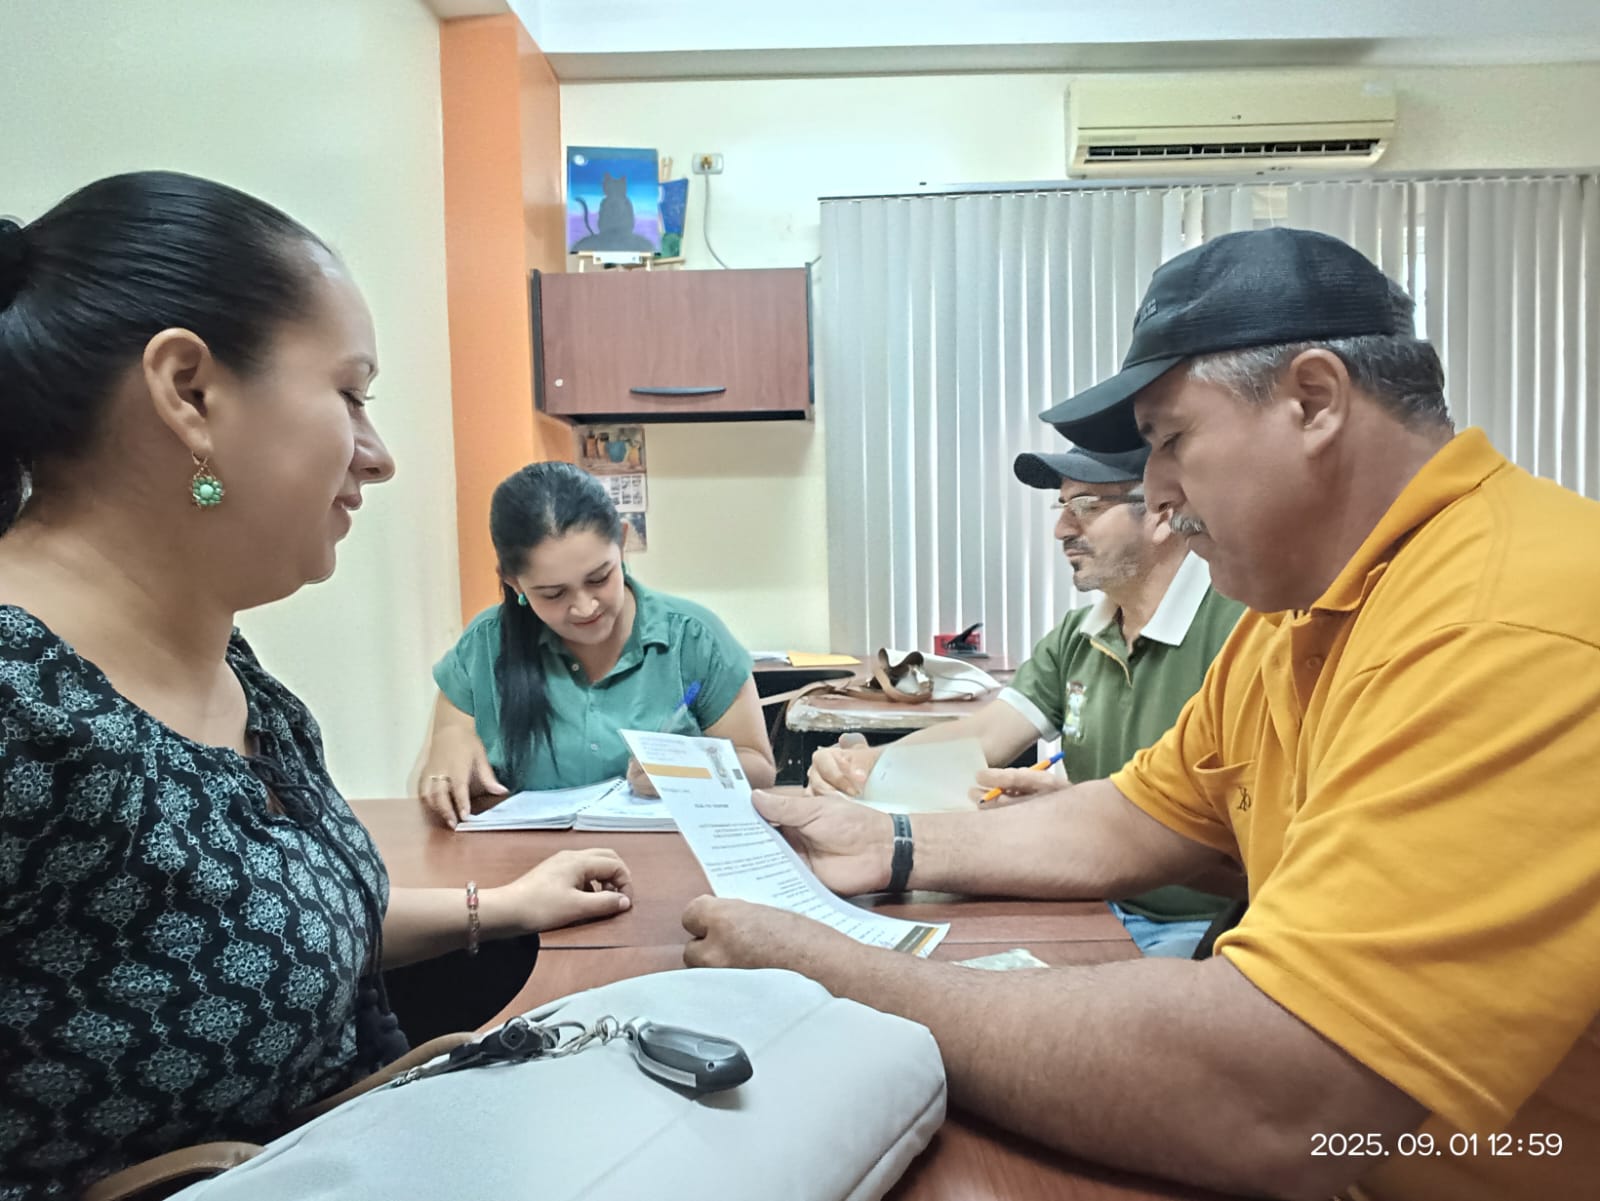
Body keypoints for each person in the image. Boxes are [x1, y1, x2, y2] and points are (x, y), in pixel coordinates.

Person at [680, 227, 1600, 1201]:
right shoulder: (1301, 613)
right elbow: (1134, 815)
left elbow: (1280, 1096)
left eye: (1170, 440)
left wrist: (837, 976)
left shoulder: (1512, 622)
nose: (1158, 494)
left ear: (1314, 400)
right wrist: (889, 843)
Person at [0, 172, 633, 1199]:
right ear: (188, 392)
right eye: (349, 394)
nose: (377, 457)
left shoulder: (231, 670)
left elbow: (269, 926)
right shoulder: (20, 709)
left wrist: (502, 904)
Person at [808, 444, 1244, 957]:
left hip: (1196, 922)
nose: (1061, 529)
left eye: (1085, 507)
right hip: (1088, 896)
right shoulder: (1080, 635)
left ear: (1161, 513)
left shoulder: (1241, 630)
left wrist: (1080, 812)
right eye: (1062, 507)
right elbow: (988, 733)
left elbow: (1252, 842)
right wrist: (862, 766)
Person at [417, 461, 776, 827]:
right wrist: (449, 756)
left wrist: (689, 770)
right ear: (514, 583)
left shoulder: (693, 637)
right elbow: (441, 785)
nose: (585, 607)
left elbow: (760, 768)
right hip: (531, 860)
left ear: (622, 541)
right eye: (553, 594)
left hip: (667, 852)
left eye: (600, 578)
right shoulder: (484, 646)